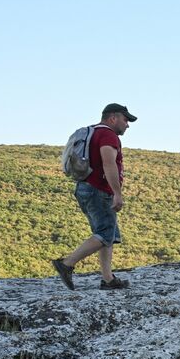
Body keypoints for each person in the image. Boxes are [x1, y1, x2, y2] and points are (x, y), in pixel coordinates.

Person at [53, 103, 137, 290]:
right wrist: (117, 193)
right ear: (112, 118)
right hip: (99, 190)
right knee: (105, 233)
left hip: (86, 188)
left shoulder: (92, 132)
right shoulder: (108, 135)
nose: (127, 125)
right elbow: (109, 164)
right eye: (125, 120)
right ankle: (66, 264)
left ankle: (108, 279)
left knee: (108, 233)